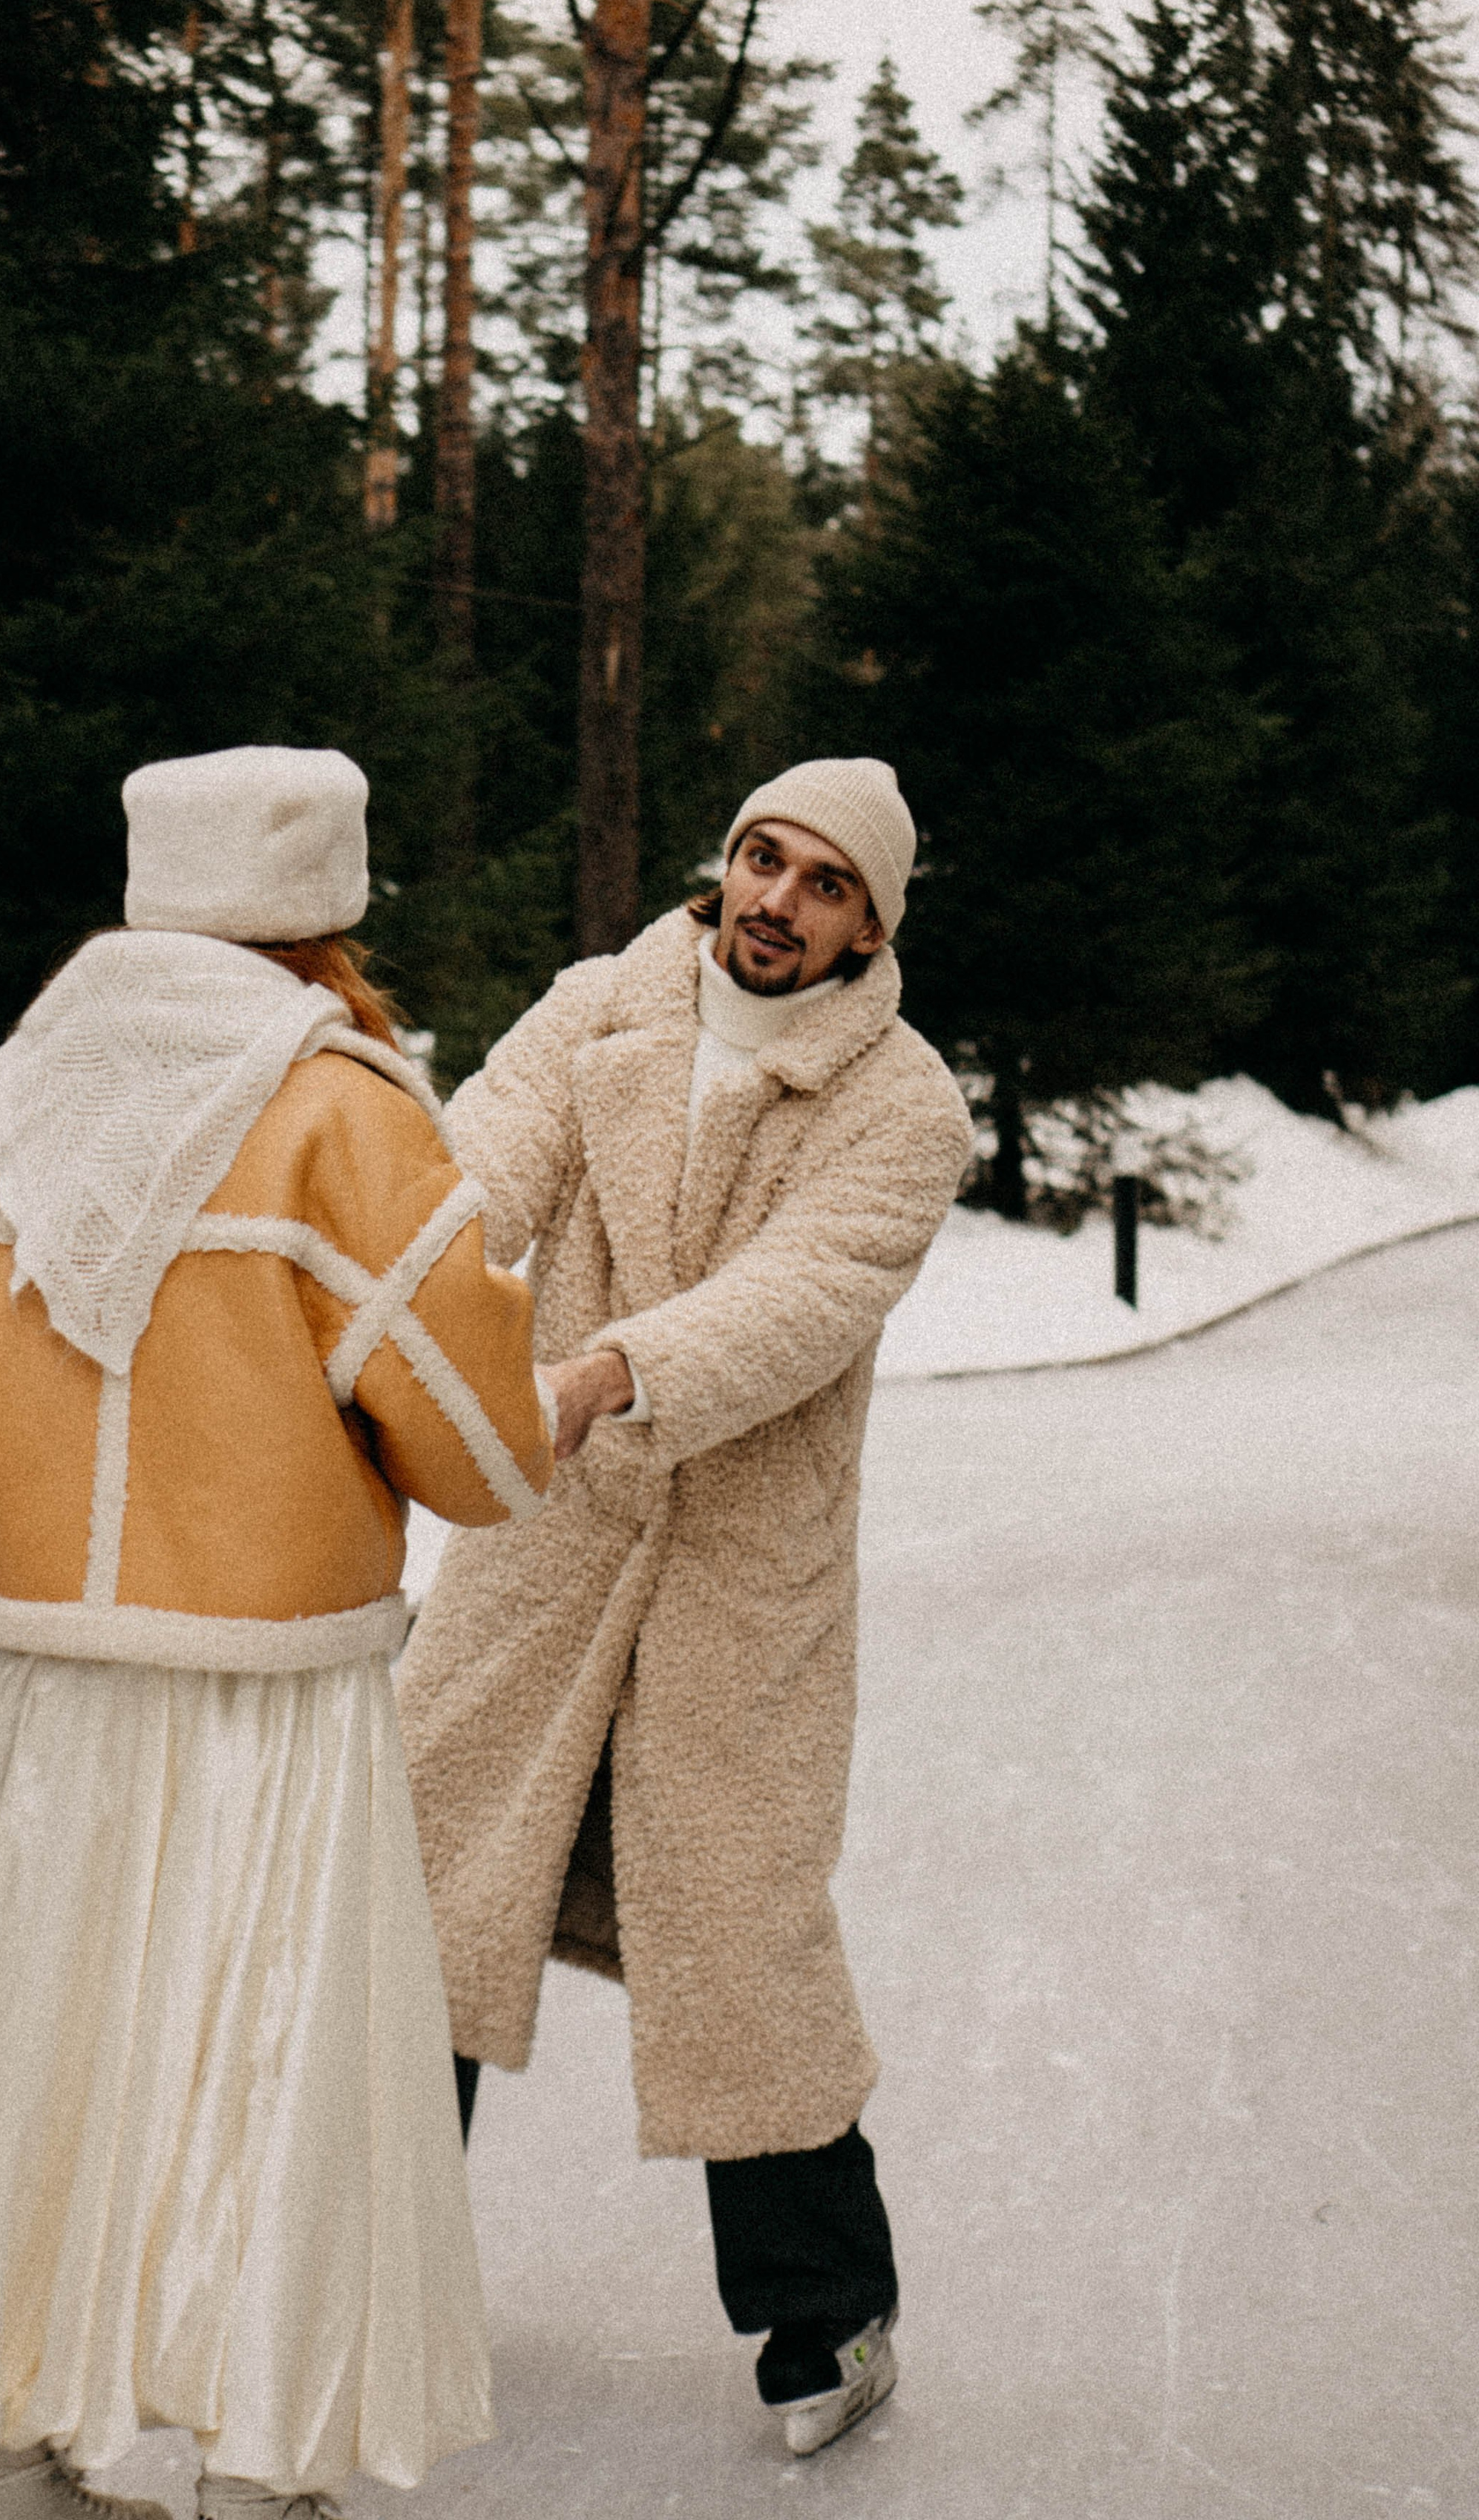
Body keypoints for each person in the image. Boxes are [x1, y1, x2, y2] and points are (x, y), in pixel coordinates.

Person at [0, 746, 552, 2520]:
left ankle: (6, 2455)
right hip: (272, 1691)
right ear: (328, 903)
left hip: (56, 1688)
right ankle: (258, 2469)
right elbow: (485, 1455)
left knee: (32, 2050)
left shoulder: (9, 1097)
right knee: (263, 2067)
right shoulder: (342, 1111)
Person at [397, 758, 971, 2458]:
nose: (776, 900)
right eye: (759, 859)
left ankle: (828, 2308)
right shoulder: (601, 1005)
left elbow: (799, 1299)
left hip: (736, 1572)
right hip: (542, 1547)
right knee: (417, 1885)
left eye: (823, 884)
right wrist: (387, 1299)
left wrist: (601, 1373)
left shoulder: (902, 1106)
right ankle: (365, 2260)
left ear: (868, 925)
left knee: (737, 1931)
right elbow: (468, 1183)